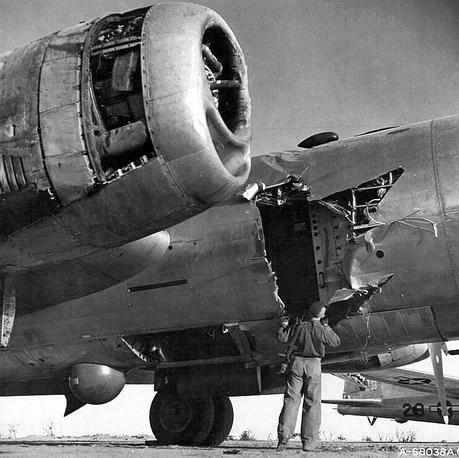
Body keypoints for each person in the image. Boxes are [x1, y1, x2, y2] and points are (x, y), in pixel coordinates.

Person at [276, 301, 341, 452]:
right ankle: (309, 443)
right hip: (314, 366)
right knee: (312, 402)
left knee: (291, 400)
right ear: (322, 315)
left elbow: (282, 338)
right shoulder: (321, 329)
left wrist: (283, 324)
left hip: (296, 364)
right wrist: (326, 326)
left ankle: (283, 438)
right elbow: (336, 342)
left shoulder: (299, 326)